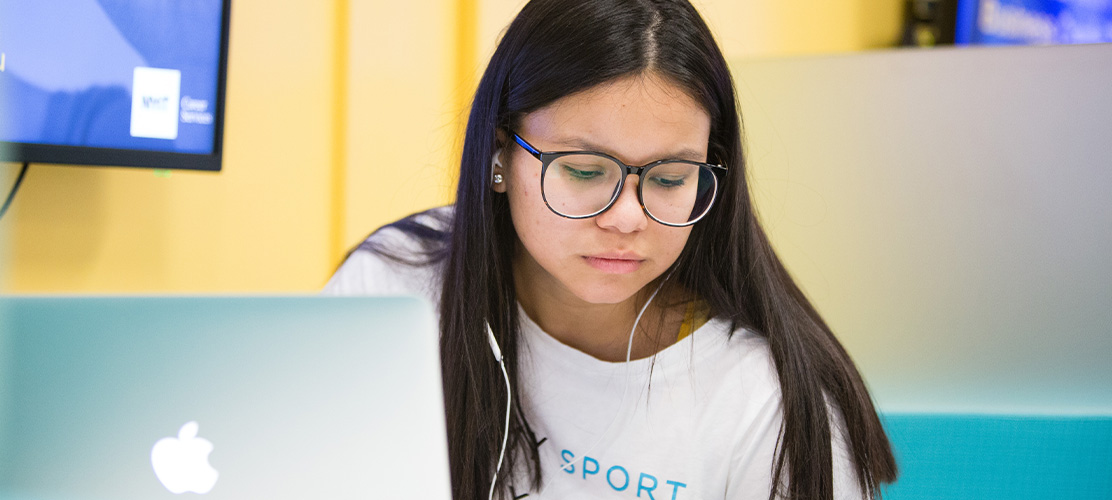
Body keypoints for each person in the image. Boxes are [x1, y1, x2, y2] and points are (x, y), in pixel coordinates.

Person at [323, 0, 898, 498]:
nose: (627, 217)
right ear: (499, 156)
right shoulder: (395, 289)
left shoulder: (766, 398)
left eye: (671, 178)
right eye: (584, 171)